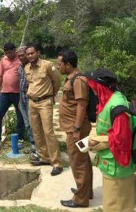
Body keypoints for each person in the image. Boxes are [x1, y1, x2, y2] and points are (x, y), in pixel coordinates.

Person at [86, 68, 135, 212]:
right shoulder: (108, 99)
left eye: (93, 86)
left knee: (116, 207)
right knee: (113, 205)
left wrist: (96, 142)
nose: (92, 89)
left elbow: (121, 139)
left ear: (100, 86)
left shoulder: (117, 107)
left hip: (118, 168)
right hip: (111, 165)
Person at [57, 50, 93, 208]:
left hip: (76, 129)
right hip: (73, 127)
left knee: (78, 162)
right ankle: (86, 191)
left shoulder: (78, 80)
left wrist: (77, 128)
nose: (58, 67)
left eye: (60, 64)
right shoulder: (72, 78)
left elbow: (82, 104)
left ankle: (80, 199)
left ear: (68, 64)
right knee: (83, 160)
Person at [24, 43, 63, 176]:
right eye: (27, 54)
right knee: (36, 132)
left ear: (38, 53)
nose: (30, 56)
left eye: (32, 53)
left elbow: (57, 82)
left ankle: (57, 162)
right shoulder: (26, 68)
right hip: (32, 102)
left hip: (45, 102)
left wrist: (51, 97)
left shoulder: (47, 65)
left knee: (48, 132)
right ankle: (44, 158)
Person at [0, 42, 25, 146]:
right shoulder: (3, 60)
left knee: (20, 116)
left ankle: (21, 138)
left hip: (18, 93)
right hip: (5, 93)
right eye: (7, 53)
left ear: (15, 50)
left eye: (10, 52)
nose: (8, 54)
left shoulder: (21, 59)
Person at [17, 46, 36, 153]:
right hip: (22, 99)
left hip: (31, 99)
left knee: (33, 123)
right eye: (18, 55)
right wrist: (20, 100)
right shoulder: (20, 68)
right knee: (27, 123)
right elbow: (21, 84)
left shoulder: (31, 67)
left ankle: (37, 144)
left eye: (22, 55)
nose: (20, 57)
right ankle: (32, 144)